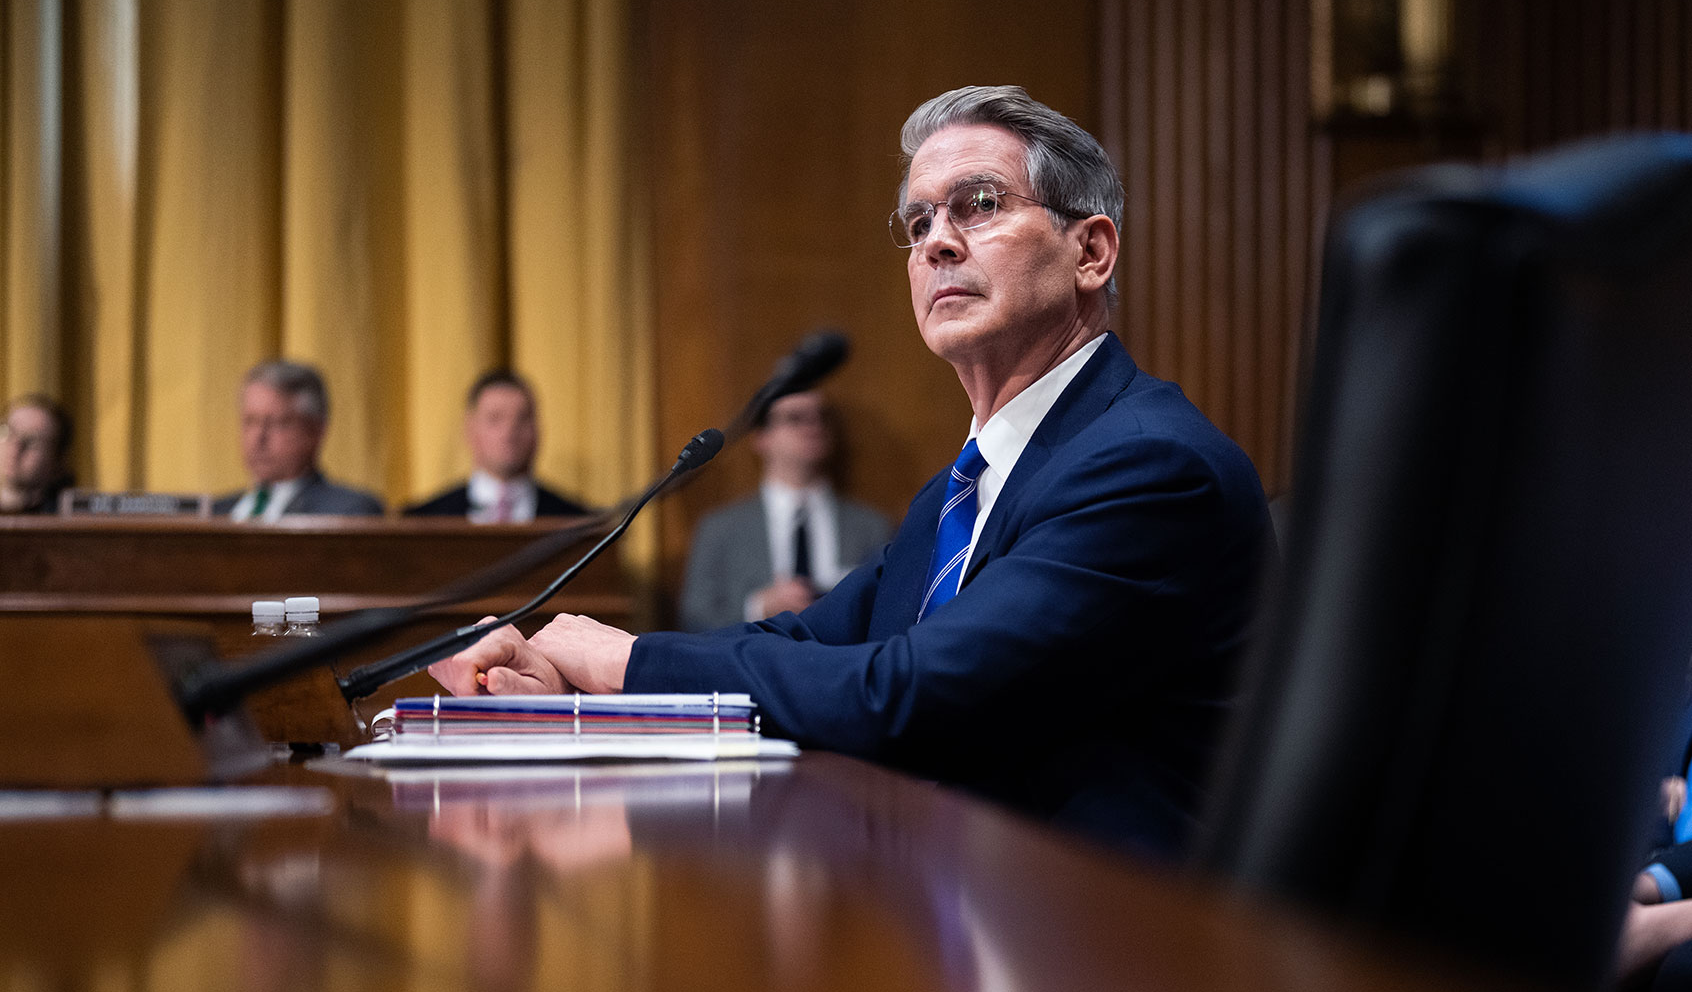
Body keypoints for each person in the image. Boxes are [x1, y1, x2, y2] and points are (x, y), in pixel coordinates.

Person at [429, 85, 1272, 857]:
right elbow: (810, 641)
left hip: (1111, 960)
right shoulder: (967, 488)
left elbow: (912, 696)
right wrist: (586, 674)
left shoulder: (1148, 466)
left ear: (1090, 251)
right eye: (917, 224)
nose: (938, 241)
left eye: (980, 206)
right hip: (965, 907)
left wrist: (626, 665)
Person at [679, 389, 892, 631]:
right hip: (755, 662)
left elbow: (891, 611)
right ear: (761, 437)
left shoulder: (872, 526)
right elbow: (694, 619)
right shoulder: (720, 528)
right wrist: (758, 607)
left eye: (821, 416)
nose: (813, 426)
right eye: (795, 418)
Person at [404, 370, 588, 521]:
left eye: (522, 419)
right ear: (470, 429)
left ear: (539, 430)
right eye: (495, 419)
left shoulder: (582, 525)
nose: (509, 432)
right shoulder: (420, 521)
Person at [213, 361, 383, 519]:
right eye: (250, 421)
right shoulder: (215, 512)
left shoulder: (348, 512)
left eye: (277, 423)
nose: (259, 437)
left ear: (315, 431)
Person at [0, 394, 74, 514]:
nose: (14, 448)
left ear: (57, 461)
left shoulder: (71, 523)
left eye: (32, 441)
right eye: (8, 431)